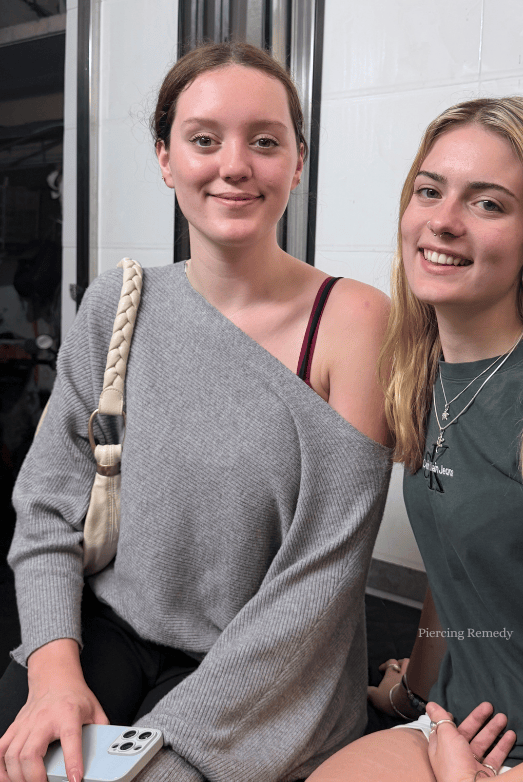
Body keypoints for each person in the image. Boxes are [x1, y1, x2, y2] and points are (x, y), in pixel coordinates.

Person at [0, 42, 392, 782]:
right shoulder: (118, 305)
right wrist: (54, 671)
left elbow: (320, 581)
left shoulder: (355, 321)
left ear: (298, 163)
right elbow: (50, 503)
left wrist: (151, 748)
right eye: (204, 140)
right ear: (165, 158)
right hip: (111, 630)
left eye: (265, 141)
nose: (234, 165)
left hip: (272, 673)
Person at [308, 96, 523, 782]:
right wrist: (415, 689)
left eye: (488, 204)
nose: (443, 220)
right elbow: (458, 573)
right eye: (430, 190)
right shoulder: (424, 376)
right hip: (461, 726)